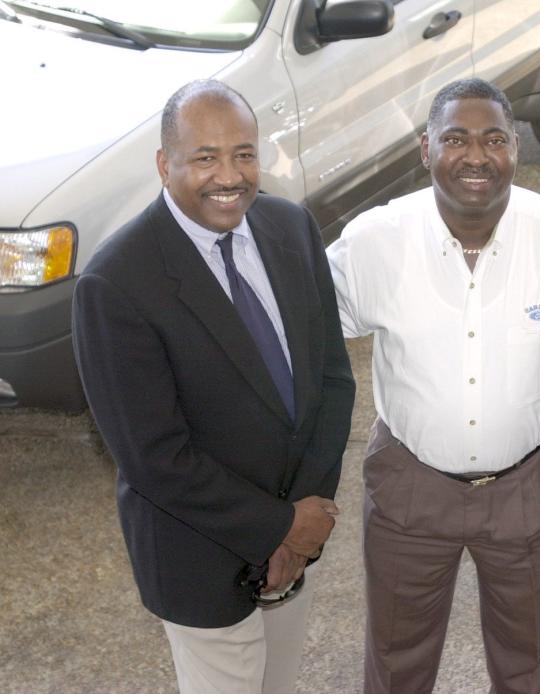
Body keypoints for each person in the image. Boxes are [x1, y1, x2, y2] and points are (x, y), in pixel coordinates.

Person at [328, 78, 540, 693]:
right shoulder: (373, 243)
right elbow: (303, 334)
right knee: (395, 661)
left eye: (495, 138)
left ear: (516, 150)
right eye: (455, 139)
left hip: (531, 484)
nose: (476, 156)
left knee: (531, 661)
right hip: (409, 484)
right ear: (425, 149)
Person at [71, 80, 355, 694]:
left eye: (244, 154)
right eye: (205, 157)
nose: (230, 176)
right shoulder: (115, 283)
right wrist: (277, 526)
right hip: (197, 558)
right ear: (164, 164)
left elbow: (332, 377)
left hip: (299, 535)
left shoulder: (292, 228)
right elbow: (154, 458)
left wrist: (307, 517)